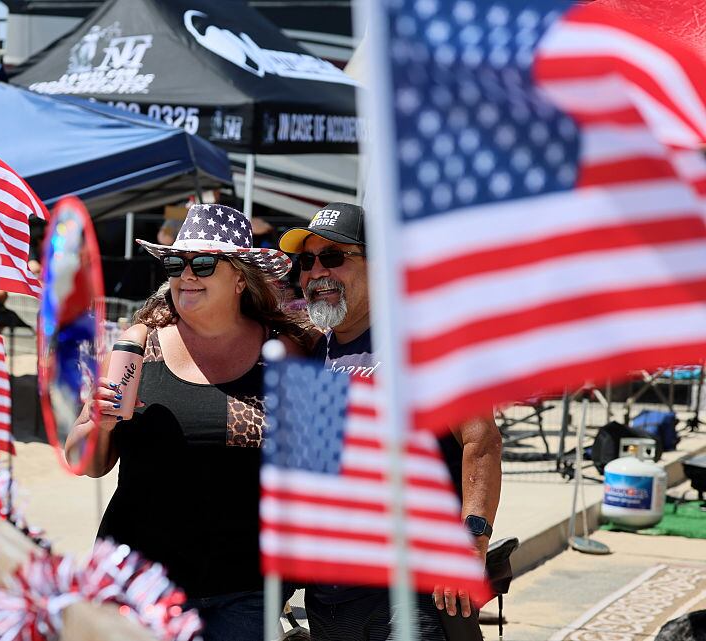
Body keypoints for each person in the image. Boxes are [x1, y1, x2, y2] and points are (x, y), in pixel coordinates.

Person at [65, 204, 315, 641]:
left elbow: (312, 465)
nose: (187, 274)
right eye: (176, 263)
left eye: (203, 263)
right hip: (138, 582)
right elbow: (83, 461)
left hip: (245, 590)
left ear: (240, 278)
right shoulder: (137, 344)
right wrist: (96, 424)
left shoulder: (282, 353)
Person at [278, 203, 503, 641]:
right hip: (328, 599)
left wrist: (471, 542)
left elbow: (482, 440)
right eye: (306, 261)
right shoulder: (309, 353)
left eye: (333, 257)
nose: (315, 272)